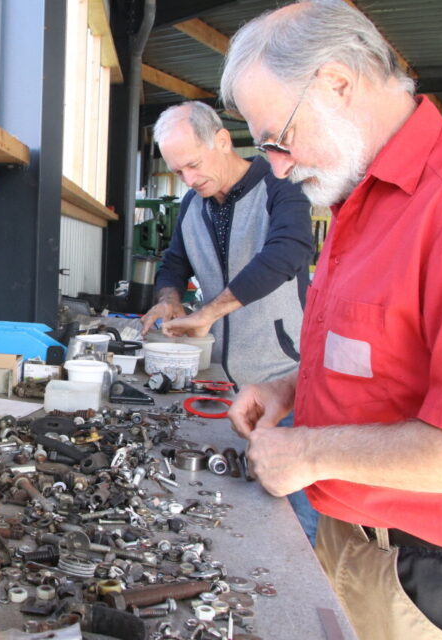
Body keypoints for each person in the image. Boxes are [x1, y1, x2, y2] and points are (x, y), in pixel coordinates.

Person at [219, 1, 442, 639]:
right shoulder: (364, 199)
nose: (276, 164)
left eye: (278, 137)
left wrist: (307, 450)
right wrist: (290, 390)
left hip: (435, 578)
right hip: (351, 541)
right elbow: (377, 354)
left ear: (336, 83)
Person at [139, 101, 319, 544]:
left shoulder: (282, 185)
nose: (189, 180)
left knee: (294, 515)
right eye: (179, 172)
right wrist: (169, 300)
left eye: (194, 165)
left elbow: (289, 251)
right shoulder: (192, 203)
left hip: (286, 379)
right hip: (221, 381)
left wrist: (210, 312)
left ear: (222, 140)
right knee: (232, 503)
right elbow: (174, 263)